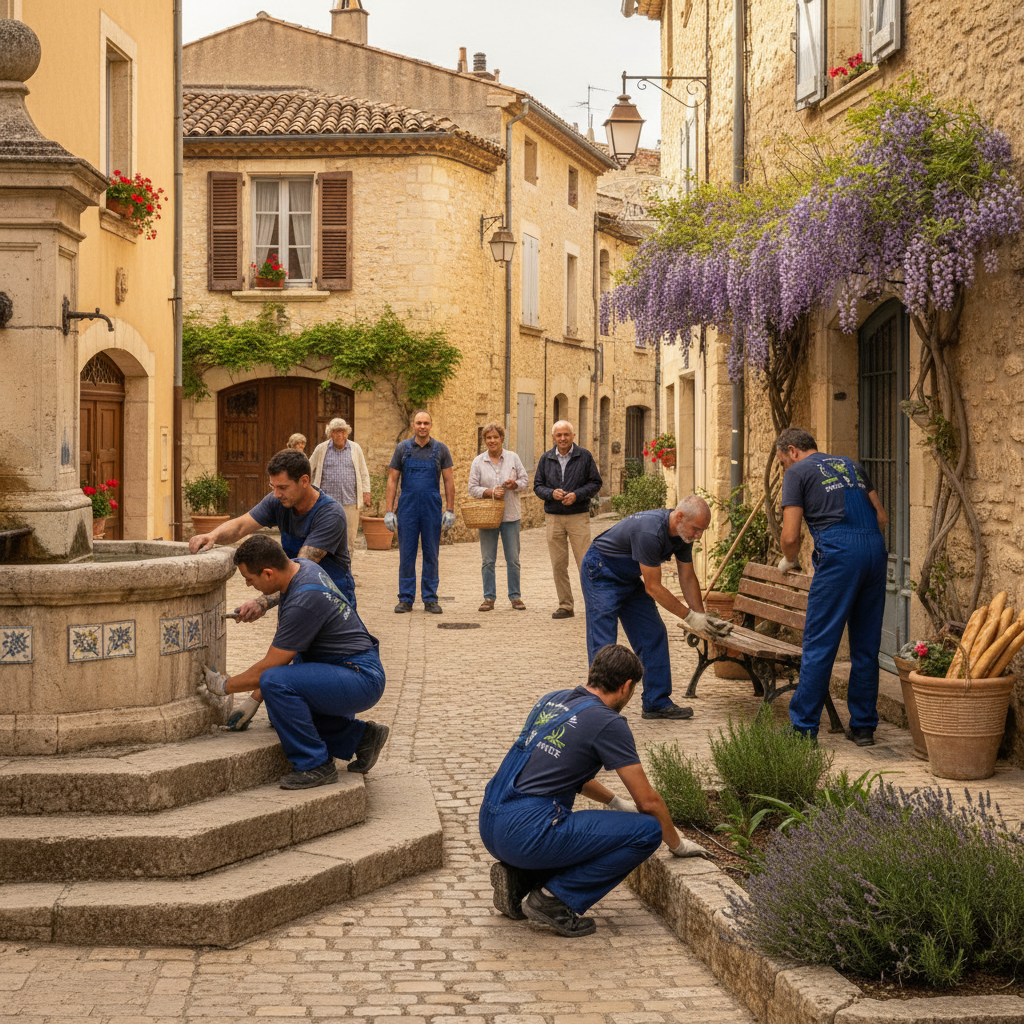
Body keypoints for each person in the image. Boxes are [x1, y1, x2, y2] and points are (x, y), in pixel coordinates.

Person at [480, 644, 707, 938]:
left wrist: (614, 801)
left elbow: (565, 771)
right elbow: (648, 802)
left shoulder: (552, 700)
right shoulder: (608, 722)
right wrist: (677, 844)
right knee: (648, 831)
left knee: (574, 822)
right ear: (626, 687)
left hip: (491, 823)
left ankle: (520, 877)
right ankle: (553, 899)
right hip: (527, 832)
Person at [202, 535, 389, 787]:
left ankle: (315, 764)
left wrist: (224, 686)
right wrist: (254, 699)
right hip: (349, 668)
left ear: (268, 573)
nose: (247, 585)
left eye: (249, 578)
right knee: (283, 707)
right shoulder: (302, 566)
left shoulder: (304, 601)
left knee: (274, 683)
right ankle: (362, 738)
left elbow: (271, 668)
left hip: (359, 677)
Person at [776, 427, 888, 745]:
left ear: (793, 451)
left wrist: (790, 559)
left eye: (784, 461)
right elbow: (881, 516)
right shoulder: (853, 466)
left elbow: (790, 536)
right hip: (874, 550)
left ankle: (803, 729)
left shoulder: (797, 473)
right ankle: (864, 727)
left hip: (840, 553)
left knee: (820, 642)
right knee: (866, 645)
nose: (787, 467)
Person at [580, 495, 733, 720]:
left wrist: (702, 617)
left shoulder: (682, 535)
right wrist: (690, 617)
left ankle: (656, 701)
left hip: (628, 577)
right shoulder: (650, 532)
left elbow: (687, 577)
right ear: (680, 516)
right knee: (604, 643)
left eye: (703, 530)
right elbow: (653, 587)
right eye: (696, 529)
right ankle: (600, 708)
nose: (698, 535)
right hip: (601, 572)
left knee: (653, 633)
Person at [189, 448, 356, 614]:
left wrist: (261, 603)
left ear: (304, 481)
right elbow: (240, 526)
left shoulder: (330, 515)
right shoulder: (278, 502)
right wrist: (212, 536)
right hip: (294, 596)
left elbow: (299, 572)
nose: (276, 494)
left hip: (332, 602)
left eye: (283, 487)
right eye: (273, 486)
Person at [384, 410, 455, 614]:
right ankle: (405, 598)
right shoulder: (402, 449)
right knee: (407, 553)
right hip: (407, 507)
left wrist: (449, 510)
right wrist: (390, 511)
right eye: (418, 423)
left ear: (431, 425)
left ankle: (430, 598)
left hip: (431, 506)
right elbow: (392, 479)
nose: (422, 426)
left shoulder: (441, 449)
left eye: (426, 423)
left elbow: (449, 481)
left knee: (431, 553)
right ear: (412, 425)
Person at [532, 421, 602, 619]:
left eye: (566, 434)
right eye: (559, 435)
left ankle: (593, 605)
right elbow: (537, 486)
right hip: (554, 517)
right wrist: (551, 493)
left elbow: (596, 483)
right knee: (558, 564)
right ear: (553, 437)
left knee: (585, 562)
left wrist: (577, 495)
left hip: (578, 516)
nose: (562, 438)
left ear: (573, 436)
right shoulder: (546, 458)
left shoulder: (584, 456)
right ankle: (565, 605)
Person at [467, 422, 529, 612]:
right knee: (488, 560)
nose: (492, 441)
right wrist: (489, 492)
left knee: (513, 559)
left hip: (510, 515)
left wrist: (514, 484)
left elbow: (525, 481)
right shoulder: (478, 461)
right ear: (484, 440)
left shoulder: (513, 458)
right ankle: (489, 598)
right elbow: (472, 488)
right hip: (487, 517)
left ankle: (515, 597)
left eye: (495, 437)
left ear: (502, 438)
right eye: (488, 438)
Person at [309, 418, 371, 557]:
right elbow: (308, 467)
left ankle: (346, 571)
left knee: (349, 538)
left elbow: (363, 472)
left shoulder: (355, 448)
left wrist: (366, 492)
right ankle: (327, 571)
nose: (339, 435)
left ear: (347, 433)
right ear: (330, 433)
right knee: (326, 536)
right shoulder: (321, 449)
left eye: (342, 431)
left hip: (350, 501)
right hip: (325, 502)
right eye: (336, 432)